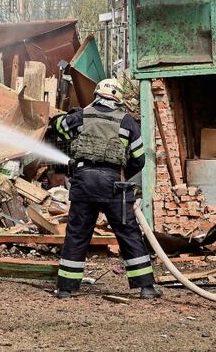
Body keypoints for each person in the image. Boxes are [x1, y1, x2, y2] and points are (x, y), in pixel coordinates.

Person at [47, 78, 161, 299]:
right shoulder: (127, 122)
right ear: (118, 98)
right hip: (114, 186)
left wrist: (69, 115)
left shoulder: (82, 116)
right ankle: (146, 287)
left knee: (78, 234)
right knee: (128, 233)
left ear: (97, 94)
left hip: (84, 183)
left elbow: (59, 128)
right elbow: (138, 159)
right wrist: (121, 174)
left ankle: (65, 289)